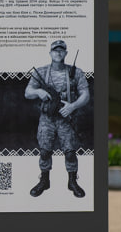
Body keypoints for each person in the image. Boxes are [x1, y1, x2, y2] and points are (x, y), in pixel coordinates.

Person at [25, 39, 90, 199]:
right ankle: (44, 180)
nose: (58, 53)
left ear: (66, 53)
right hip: (47, 119)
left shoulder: (76, 72)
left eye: (61, 50)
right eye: (55, 50)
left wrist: (72, 106)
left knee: (70, 152)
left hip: (66, 118)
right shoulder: (41, 72)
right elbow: (27, 92)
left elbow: (86, 95)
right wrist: (38, 92)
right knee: (45, 151)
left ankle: (72, 181)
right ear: (50, 53)